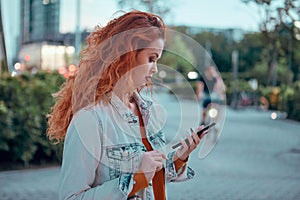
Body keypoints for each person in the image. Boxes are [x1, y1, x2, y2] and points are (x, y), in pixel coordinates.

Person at [47, 10, 206, 200]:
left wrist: (180, 156)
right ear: (128, 55)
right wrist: (136, 178)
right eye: (151, 59)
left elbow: (153, 175)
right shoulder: (91, 120)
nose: (155, 69)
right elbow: (71, 197)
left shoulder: (148, 111)